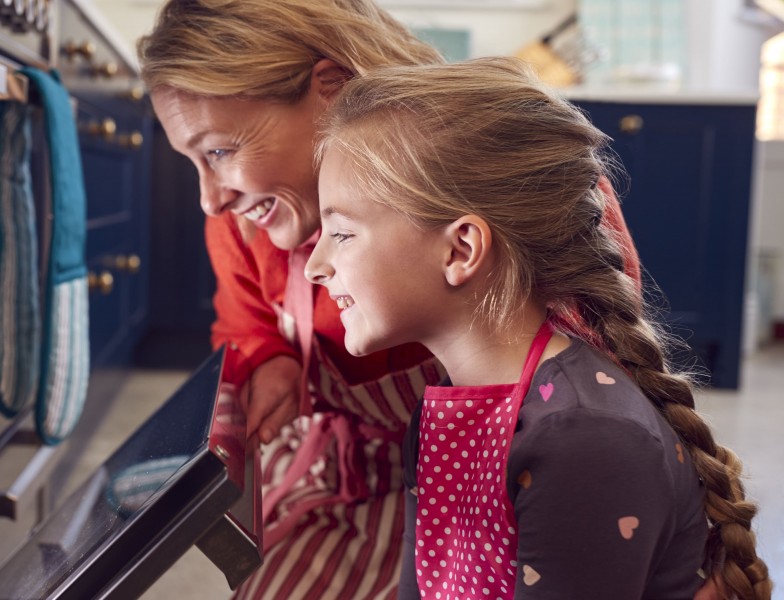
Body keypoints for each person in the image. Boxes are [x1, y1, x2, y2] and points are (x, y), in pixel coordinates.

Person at [138, 1, 645, 598]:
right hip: (348, 475)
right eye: (192, 161)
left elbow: (608, 396)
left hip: (502, 482)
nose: (209, 199)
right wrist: (270, 359)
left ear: (330, 89)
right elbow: (245, 326)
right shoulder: (250, 221)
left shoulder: (497, 182)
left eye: (220, 151)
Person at [304, 57, 772, 599]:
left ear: (461, 249)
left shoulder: (581, 438)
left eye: (341, 234)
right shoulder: (447, 410)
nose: (316, 265)